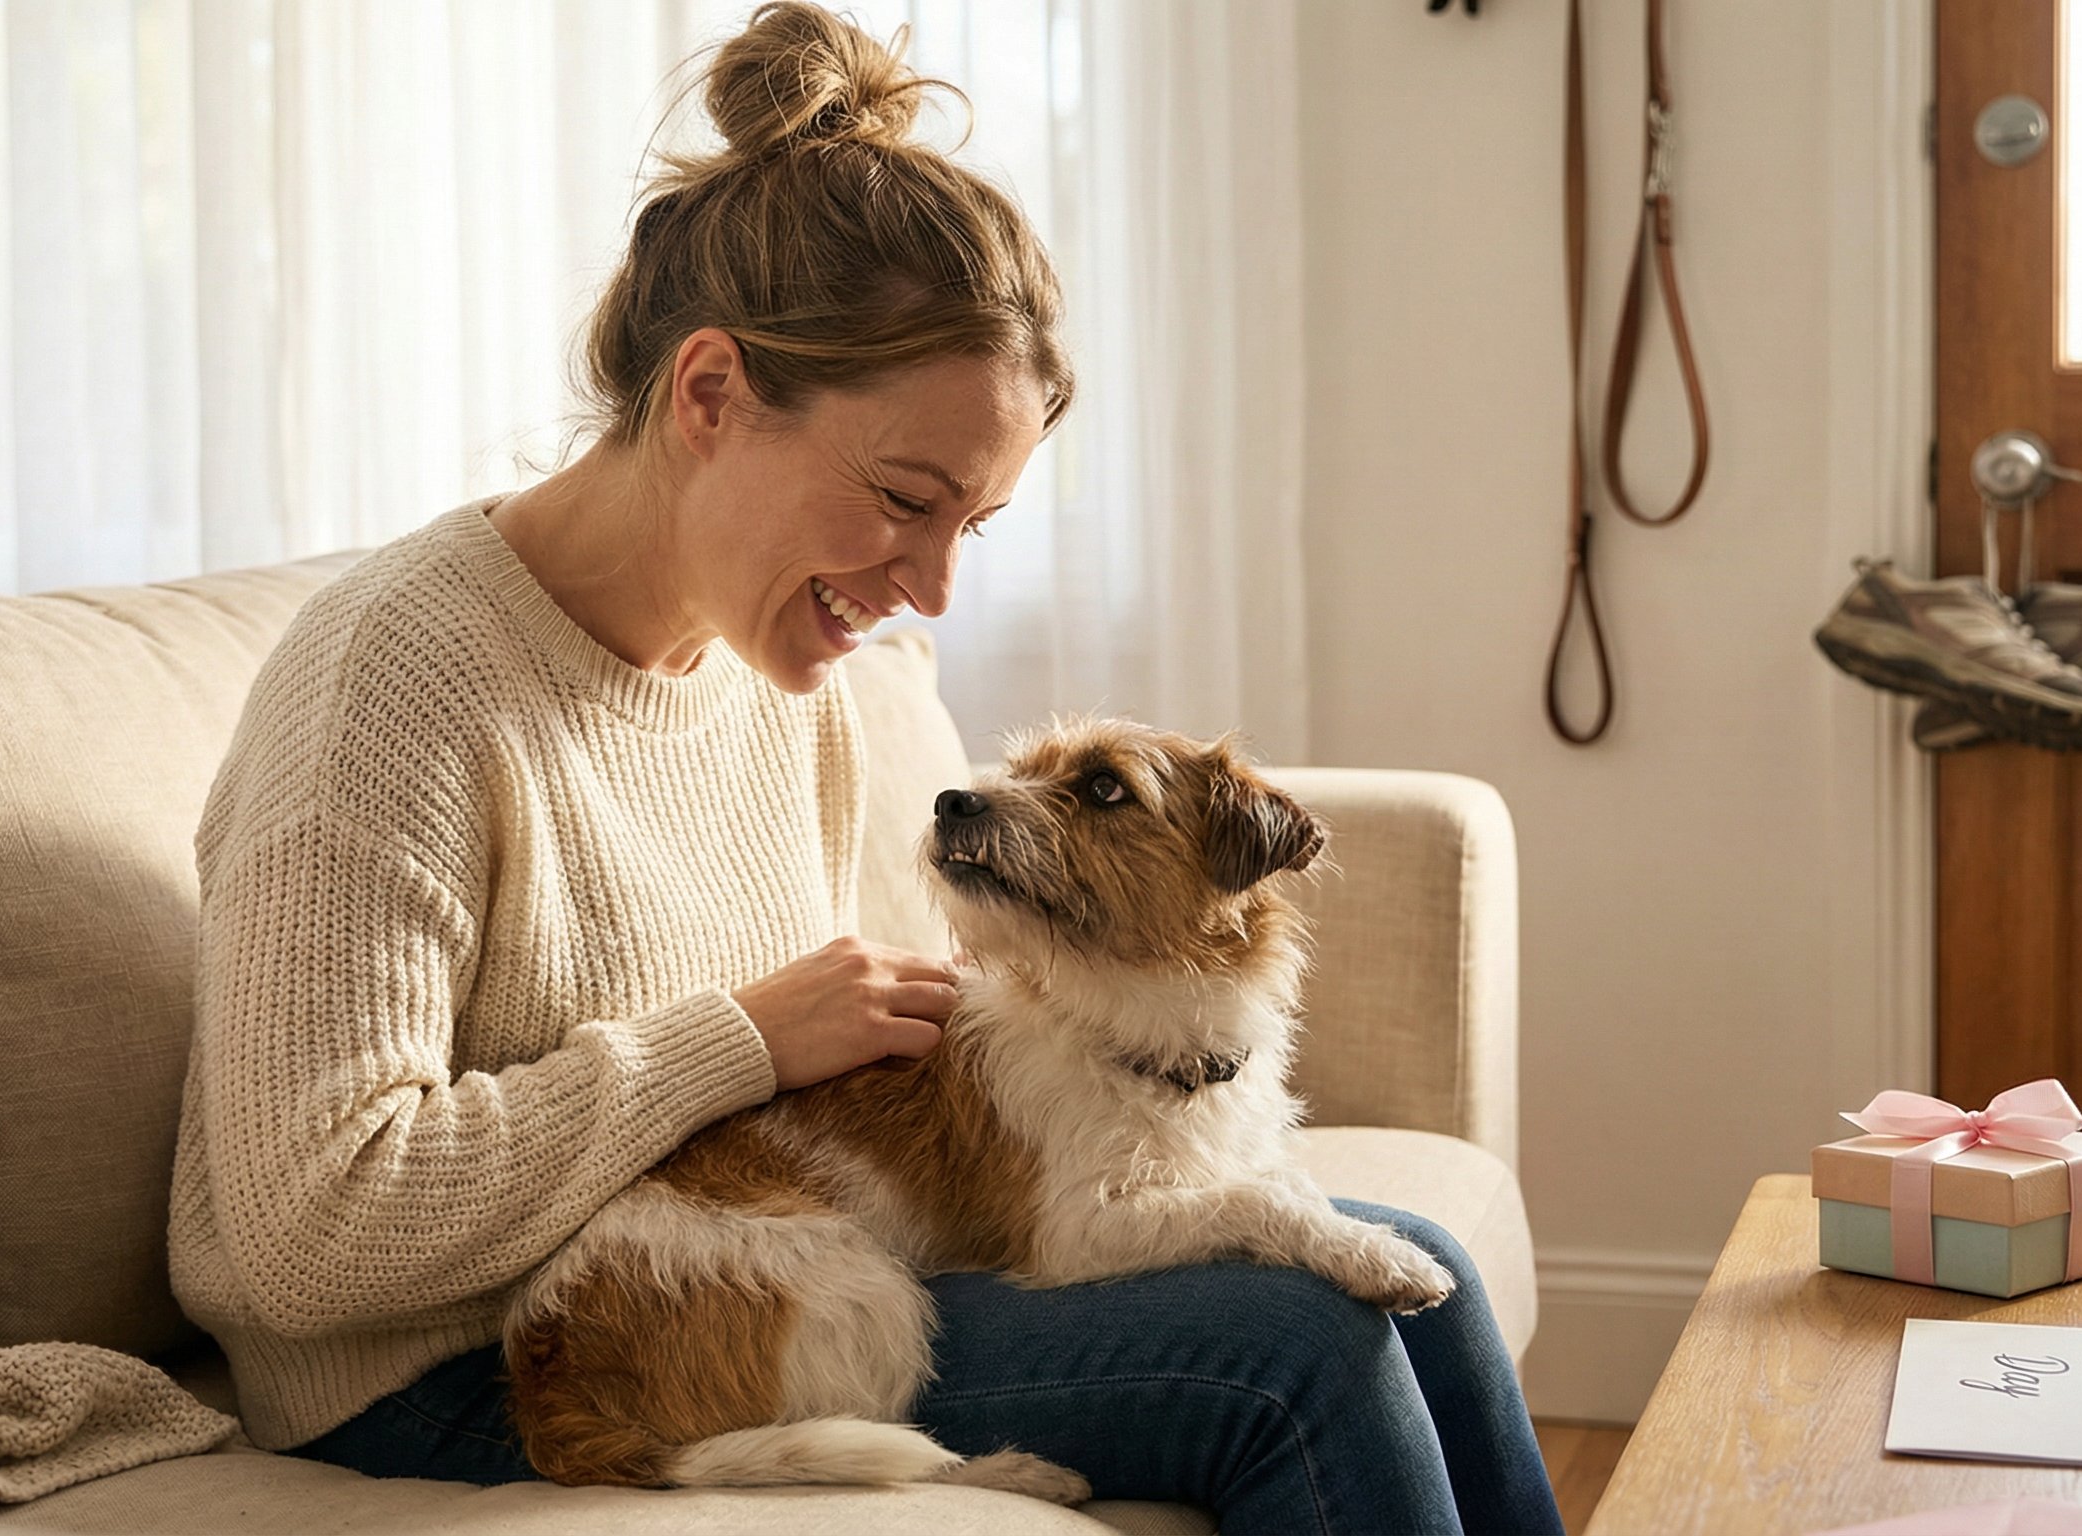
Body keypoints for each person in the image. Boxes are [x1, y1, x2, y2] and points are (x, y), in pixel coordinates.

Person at [166, 5, 1562, 1531]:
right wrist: (731, 1044)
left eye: (972, 527)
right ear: (709, 396)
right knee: (1306, 1347)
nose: (934, 588)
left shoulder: (789, 673)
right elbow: (304, 1238)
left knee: (1421, 1289)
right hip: (471, 1376)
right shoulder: (392, 684)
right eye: (906, 498)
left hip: (777, 1260)